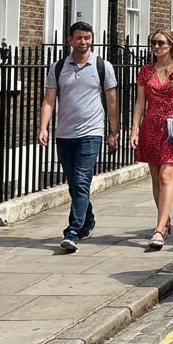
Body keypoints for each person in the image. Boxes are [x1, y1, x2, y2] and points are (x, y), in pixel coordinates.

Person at [37, 22, 120, 253]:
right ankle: (88, 220)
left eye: (87, 38)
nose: (83, 42)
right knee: (74, 184)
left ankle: (72, 231)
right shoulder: (58, 67)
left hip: (91, 133)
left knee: (82, 181)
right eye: (79, 38)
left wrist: (114, 132)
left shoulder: (103, 66)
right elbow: (49, 100)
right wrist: (43, 128)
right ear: (70, 40)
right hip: (64, 133)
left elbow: (112, 100)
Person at [131, 28, 173, 250]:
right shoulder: (146, 71)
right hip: (151, 125)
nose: (156, 47)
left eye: (160, 43)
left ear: (171, 45)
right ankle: (165, 219)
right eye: (154, 43)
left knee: (167, 176)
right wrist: (134, 129)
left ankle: (158, 230)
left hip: (172, 126)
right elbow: (140, 102)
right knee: (156, 177)